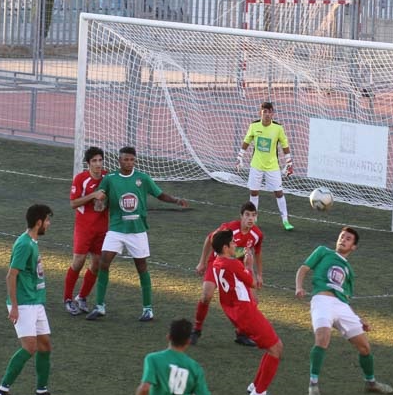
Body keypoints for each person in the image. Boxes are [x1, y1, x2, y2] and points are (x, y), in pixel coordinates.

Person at [86, 146, 189, 322]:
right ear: (119, 160)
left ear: (135, 161)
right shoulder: (110, 179)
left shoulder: (142, 178)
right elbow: (101, 195)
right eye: (125, 159)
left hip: (137, 230)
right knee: (103, 262)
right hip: (117, 229)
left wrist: (176, 200)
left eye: (132, 160)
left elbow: (159, 194)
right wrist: (99, 203)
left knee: (141, 267)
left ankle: (148, 309)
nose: (129, 163)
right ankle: (100, 306)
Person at [294, 227, 393, 395]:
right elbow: (303, 269)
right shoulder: (323, 251)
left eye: (348, 239)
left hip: (341, 306)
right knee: (322, 339)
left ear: (353, 247)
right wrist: (299, 287)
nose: (343, 240)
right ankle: (313, 384)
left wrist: (358, 318)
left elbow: (345, 299)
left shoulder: (349, 271)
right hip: (321, 300)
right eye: (342, 237)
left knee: (365, 348)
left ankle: (370, 382)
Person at [0, 204, 64, 395]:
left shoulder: (32, 241)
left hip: (35, 302)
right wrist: (14, 307)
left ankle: (42, 393)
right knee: (30, 347)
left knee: (45, 346)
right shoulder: (24, 244)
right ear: (38, 222)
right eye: (47, 220)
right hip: (23, 304)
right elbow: (11, 275)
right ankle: (2, 390)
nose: (49, 224)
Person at [209, 230, 283, 395]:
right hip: (246, 312)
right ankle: (259, 392)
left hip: (237, 313)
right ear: (226, 247)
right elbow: (254, 283)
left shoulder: (217, 262)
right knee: (276, 348)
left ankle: (256, 386)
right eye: (233, 243)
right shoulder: (233, 264)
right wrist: (249, 266)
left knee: (272, 347)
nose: (236, 245)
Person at [191, 202, 264, 347]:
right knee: (207, 295)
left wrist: (259, 274)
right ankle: (196, 330)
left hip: (237, 267)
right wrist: (202, 262)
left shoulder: (257, 234)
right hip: (217, 262)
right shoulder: (230, 228)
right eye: (247, 215)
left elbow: (257, 253)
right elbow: (209, 238)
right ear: (241, 216)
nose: (250, 218)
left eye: (253, 215)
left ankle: (241, 333)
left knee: (253, 301)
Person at [127, 318, 211, 395]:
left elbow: (145, 388)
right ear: (188, 341)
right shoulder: (195, 367)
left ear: (168, 337)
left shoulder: (153, 359)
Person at [63, 146, 107, 315]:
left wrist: (104, 202)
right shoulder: (81, 179)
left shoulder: (107, 177)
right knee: (78, 261)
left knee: (96, 265)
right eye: (94, 161)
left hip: (102, 228)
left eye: (100, 160)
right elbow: (73, 203)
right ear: (88, 163)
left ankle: (81, 297)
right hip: (84, 228)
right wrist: (93, 196)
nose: (98, 164)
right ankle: (67, 299)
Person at [238, 101, 294, 231]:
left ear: (273, 113)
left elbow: (285, 146)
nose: (267, 115)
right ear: (261, 113)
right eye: (265, 112)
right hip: (256, 165)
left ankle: (285, 220)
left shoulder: (278, 128)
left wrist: (289, 163)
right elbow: (246, 141)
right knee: (254, 191)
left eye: (269, 112)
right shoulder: (254, 126)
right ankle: (253, 220)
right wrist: (239, 157)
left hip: (272, 167)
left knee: (279, 193)